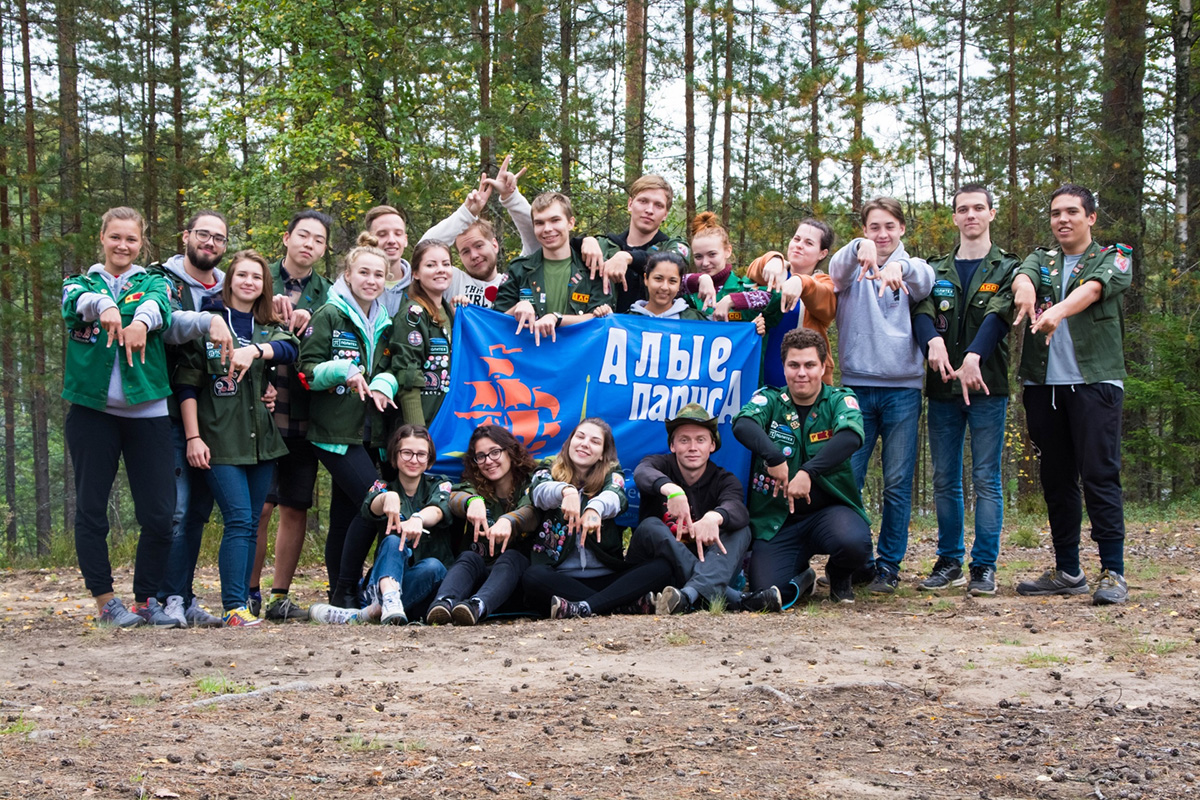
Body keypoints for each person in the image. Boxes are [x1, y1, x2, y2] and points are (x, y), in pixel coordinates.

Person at [1010, 184, 1132, 606]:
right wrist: (1024, 286)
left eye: (1072, 212)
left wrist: (1055, 311)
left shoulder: (1114, 256)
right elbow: (1022, 273)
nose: (1063, 219)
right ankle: (1067, 570)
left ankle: (1113, 572)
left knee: (1099, 475)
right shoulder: (1040, 259)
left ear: (1091, 218)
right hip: (1043, 387)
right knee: (1057, 479)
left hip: (1095, 383)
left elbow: (1095, 289)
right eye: (1056, 213)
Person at [61, 207, 183, 627]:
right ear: (102, 237)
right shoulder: (81, 282)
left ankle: (146, 600)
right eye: (116, 237)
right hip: (92, 413)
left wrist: (142, 322)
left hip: (147, 413)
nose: (123, 246)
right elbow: (75, 303)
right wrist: (105, 306)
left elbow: (158, 305)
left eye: (131, 239)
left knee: (160, 514)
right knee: (91, 510)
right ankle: (105, 603)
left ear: (141, 242)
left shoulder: (154, 281)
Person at [173, 250, 300, 626]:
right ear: (229, 281)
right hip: (219, 441)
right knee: (240, 519)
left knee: (251, 522)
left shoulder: (266, 324)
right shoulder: (209, 323)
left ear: (264, 286)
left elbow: (290, 349)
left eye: (257, 277)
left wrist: (256, 352)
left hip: (261, 441)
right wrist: (193, 437)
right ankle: (233, 606)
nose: (249, 282)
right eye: (241, 275)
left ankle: (239, 603)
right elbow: (186, 386)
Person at [912, 185, 1019, 596]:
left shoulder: (1007, 267)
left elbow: (999, 313)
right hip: (942, 390)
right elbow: (920, 309)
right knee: (943, 478)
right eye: (962, 209)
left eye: (978, 208)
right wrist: (931, 343)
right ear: (954, 218)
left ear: (991, 213)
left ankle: (984, 566)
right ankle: (950, 560)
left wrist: (974, 354)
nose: (970, 215)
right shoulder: (934, 268)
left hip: (986, 385)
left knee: (986, 478)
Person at [828, 196, 934, 595]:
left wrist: (897, 267)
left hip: (903, 390)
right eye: (874, 227)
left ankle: (889, 565)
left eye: (890, 226)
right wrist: (860, 249)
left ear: (902, 229)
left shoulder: (914, 268)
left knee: (896, 482)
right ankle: (857, 562)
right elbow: (834, 272)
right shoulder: (850, 265)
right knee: (847, 478)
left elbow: (922, 278)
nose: (883, 234)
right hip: (856, 387)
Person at [733, 328, 874, 605]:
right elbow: (742, 423)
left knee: (855, 543)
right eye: (793, 365)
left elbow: (851, 436)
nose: (802, 373)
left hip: (829, 514)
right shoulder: (771, 400)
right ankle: (804, 576)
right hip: (778, 520)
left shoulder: (838, 400)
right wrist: (773, 458)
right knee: (767, 588)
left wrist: (809, 472)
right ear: (783, 367)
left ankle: (839, 573)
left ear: (823, 366)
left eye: (810, 365)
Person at [297, 232, 400, 603]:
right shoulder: (329, 314)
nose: (371, 281)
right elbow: (306, 370)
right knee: (375, 503)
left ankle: (340, 591)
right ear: (348, 274)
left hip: (371, 433)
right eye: (364, 273)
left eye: (378, 275)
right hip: (335, 431)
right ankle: (345, 590)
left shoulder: (386, 322)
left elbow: (390, 367)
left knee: (345, 514)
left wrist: (384, 384)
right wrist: (343, 370)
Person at [148, 210, 236, 628]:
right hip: (166, 409)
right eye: (204, 235)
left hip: (218, 415)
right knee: (176, 510)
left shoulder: (229, 287)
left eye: (219, 239)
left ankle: (183, 595)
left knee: (199, 511)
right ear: (186, 236)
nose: (210, 244)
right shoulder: (160, 281)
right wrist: (207, 321)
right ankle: (162, 597)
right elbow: (164, 326)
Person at [253, 209, 336, 621]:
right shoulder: (257, 277)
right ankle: (246, 591)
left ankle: (279, 595)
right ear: (286, 238)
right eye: (303, 236)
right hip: (260, 405)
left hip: (305, 408)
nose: (309, 244)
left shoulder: (330, 292)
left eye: (318, 240)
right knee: (258, 505)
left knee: (294, 505)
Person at [521, 419, 673, 619]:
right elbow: (539, 492)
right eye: (580, 437)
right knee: (533, 576)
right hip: (560, 578)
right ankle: (619, 605)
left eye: (594, 441)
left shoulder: (612, 473)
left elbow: (616, 496)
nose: (585, 444)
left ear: (602, 453)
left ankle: (584, 606)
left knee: (662, 567)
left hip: (607, 577)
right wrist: (566, 491)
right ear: (569, 443)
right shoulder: (547, 468)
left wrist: (595, 508)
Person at [625, 404, 764, 614]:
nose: (692, 447)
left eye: (700, 440)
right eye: (684, 440)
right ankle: (734, 599)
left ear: (712, 446)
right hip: (659, 567)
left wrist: (714, 517)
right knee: (651, 526)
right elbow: (642, 473)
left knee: (741, 529)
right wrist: (672, 490)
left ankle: (688, 595)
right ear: (672, 446)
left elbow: (737, 508)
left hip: (706, 564)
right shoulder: (659, 463)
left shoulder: (725, 479)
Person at [313, 425, 452, 625]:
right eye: (407, 453)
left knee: (433, 565)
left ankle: (368, 613)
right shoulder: (382, 487)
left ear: (429, 459)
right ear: (394, 456)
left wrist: (418, 519)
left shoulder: (440, 484)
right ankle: (389, 600)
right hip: (382, 583)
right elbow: (371, 505)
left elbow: (439, 510)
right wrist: (387, 499)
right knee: (394, 541)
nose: (414, 460)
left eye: (421, 454)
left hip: (425, 586)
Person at [425, 425, 540, 625]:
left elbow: (532, 513)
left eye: (495, 452)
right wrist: (472, 501)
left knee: (512, 557)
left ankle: (477, 606)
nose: (488, 461)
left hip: (517, 583)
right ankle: (442, 604)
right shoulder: (475, 485)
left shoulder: (531, 482)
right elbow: (453, 497)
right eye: (481, 456)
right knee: (469, 557)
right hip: (480, 576)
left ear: (510, 451)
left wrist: (509, 520)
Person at [493, 191, 614, 344]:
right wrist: (518, 307)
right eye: (539, 223)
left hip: (577, 359)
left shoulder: (593, 269)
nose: (547, 229)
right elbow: (493, 323)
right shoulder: (519, 269)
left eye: (555, 220)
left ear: (570, 223)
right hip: (528, 359)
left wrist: (556, 318)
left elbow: (602, 319)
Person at [743, 218, 838, 385]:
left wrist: (801, 282)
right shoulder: (776, 273)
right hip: (759, 380)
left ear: (822, 253)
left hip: (805, 386)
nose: (799, 245)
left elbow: (827, 303)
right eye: (796, 239)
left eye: (809, 243)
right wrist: (773, 258)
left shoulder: (823, 282)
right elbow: (753, 270)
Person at [580, 175, 691, 312]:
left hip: (654, 329)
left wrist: (627, 257)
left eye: (658, 205)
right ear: (630, 204)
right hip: (606, 330)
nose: (649, 210)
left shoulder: (672, 246)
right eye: (643, 201)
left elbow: (674, 261)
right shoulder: (605, 245)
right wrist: (585, 240)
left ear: (665, 214)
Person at [390, 239, 456, 428]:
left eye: (446, 264)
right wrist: (417, 433)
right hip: (423, 422)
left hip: (446, 420)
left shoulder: (449, 311)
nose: (441, 269)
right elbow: (408, 376)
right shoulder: (413, 314)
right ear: (416, 273)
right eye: (431, 265)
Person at [682, 212, 782, 334]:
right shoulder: (690, 294)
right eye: (698, 257)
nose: (705, 263)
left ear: (728, 251)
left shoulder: (744, 288)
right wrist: (699, 279)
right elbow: (665, 286)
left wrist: (732, 300)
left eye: (712, 254)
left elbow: (777, 296)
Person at [623, 252, 706, 320]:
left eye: (672, 281)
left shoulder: (695, 320)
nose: (664, 287)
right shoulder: (627, 321)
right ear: (646, 279)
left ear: (679, 284)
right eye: (658, 279)